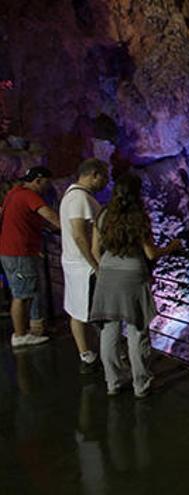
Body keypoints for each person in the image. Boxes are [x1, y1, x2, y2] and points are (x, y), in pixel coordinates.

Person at [89, 174, 181, 398]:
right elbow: (150, 253)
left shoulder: (103, 215)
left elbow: (94, 250)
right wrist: (171, 247)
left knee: (109, 330)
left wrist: (108, 271)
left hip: (107, 274)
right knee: (136, 330)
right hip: (133, 274)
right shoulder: (139, 217)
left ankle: (113, 382)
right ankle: (141, 384)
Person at [0, 166, 60, 348]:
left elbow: (29, 219)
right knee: (21, 294)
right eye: (46, 183)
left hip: (13, 251)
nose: (47, 187)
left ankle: (36, 328)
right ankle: (19, 335)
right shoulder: (29, 195)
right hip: (19, 252)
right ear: (38, 180)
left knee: (29, 290)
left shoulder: (14, 193)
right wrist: (70, 229)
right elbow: (48, 214)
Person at [60, 158, 109, 373]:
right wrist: (95, 264)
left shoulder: (72, 196)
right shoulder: (79, 198)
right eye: (104, 176)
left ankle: (86, 355)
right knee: (98, 314)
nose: (106, 182)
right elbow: (79, 235)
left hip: (75, 263)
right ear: (94, 174)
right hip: (84, 267)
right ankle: (101, 356)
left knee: (77, 311)